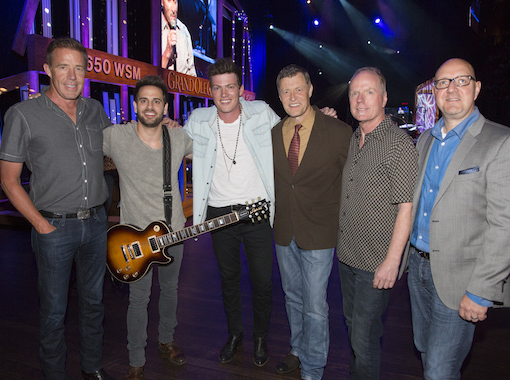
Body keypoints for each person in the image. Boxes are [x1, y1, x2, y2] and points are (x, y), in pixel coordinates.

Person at [402, 58, 510, 379]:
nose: (452, 89)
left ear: (476, 88)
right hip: (418, 269)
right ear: (435, 91)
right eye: (443, 82)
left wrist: (481, 291)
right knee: (424, 349)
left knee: (439, 369)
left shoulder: (504, 143)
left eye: (461, 81)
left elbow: (508, 227)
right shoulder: (425, 141)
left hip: (461, 278)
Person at [0, 37, 114, 380]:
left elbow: (118, 150)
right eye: (63, 66)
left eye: (79, 68)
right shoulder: (24, 115)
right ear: (47, 69)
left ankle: (92, 367)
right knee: (53, 313)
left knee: (94, 304)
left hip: (95, 225)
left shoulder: (95, 110)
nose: (72, 76)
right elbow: (9, 180)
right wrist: (40, 225)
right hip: (53, 230)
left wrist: (158, 130)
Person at [183, 58, 278, 367]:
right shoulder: (198, 119)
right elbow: (178, 147)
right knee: (229, 279)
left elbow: (291, 131)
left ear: (240, 89)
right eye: (218, 87)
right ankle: (235, 334)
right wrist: (167, 127)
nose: (224, 94)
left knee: (263, 282)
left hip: (257, 213)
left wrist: (321, 117)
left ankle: (260, 338)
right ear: (210, 90)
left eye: (230, 86)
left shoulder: (261, 113)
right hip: (219, 214)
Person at [103, 75, 192, 380]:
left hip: (173, 232)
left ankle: (167, 341)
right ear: (134, 104)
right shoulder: (117, 136)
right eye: (144, 100)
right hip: (133, 241)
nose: (150, 106)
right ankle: (136, 358)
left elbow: (211, 153)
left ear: (165, 107)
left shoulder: (178, 138)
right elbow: (82, 145)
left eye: (156, 101)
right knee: (138, 301)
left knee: (169, 291)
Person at [337, 67, 418, 379]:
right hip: (347, 257)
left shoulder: (398, 144)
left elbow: (406, 208)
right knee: (353, 328)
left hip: (375, 264)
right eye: (355, 92)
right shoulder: (354, 137)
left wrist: (392, 262)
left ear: (384, 97)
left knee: (364, 338)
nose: (360, 99)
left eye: (368, 91)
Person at [272, 64, 352, 380]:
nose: (293, 96)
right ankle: (297, 349)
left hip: (320, 232)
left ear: (310, 90)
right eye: (286, 91)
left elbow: (353, 182)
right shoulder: (273, 133)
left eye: (298, 88)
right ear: (279, 96)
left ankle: (313, 369)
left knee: (316, 305)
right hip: (284, 231)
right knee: (292, 296)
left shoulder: (338, 132)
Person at [161, 0, 197, 76]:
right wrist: (167, 54)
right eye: (169, 1)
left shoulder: (184, 31)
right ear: (162, 2)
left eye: (175, 2)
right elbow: (150, 77)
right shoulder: (154, 28)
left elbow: (191, 72)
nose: (173, 9)